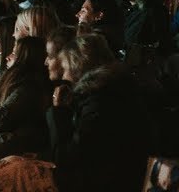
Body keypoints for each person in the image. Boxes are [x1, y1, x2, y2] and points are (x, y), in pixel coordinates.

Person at [48, 33, 149, 192]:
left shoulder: (99, 103)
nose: (65, 76)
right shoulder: (114, 89)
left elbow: (66, 157)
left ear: (78, 68)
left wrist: (58, 111)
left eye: (66, 69)